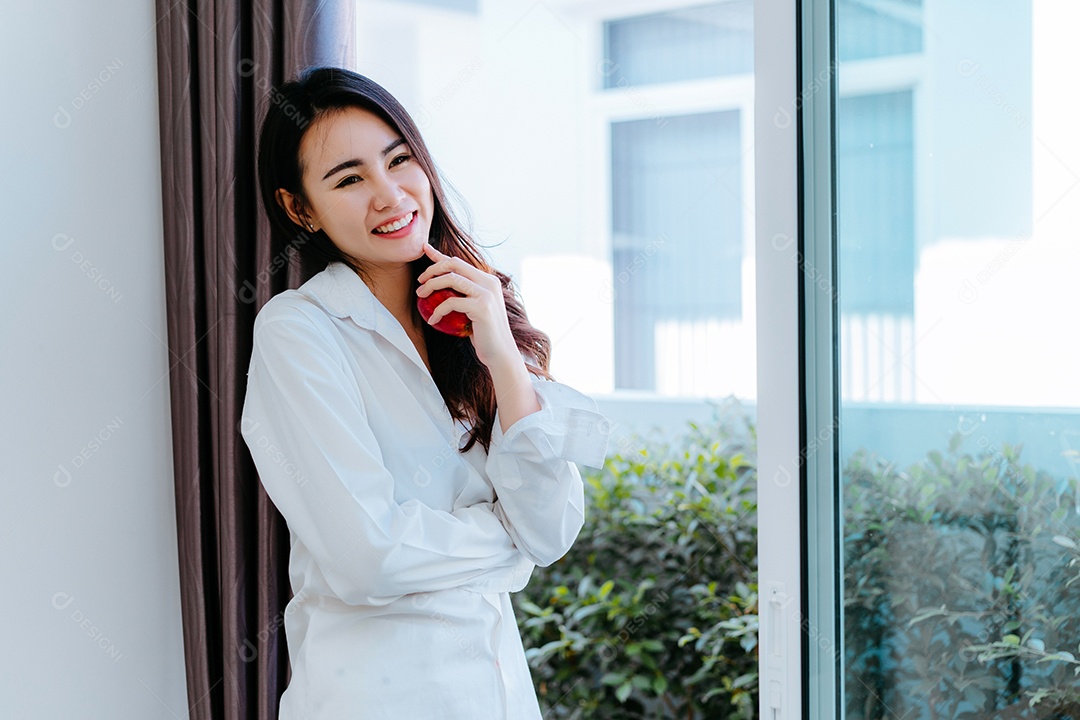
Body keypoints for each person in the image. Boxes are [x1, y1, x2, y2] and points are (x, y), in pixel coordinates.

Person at [240, 66, 611, 719]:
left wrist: (499, 351)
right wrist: (506, 538)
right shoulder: (298, 332)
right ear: (301, 209)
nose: (389, 194)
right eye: (349, 179)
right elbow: (368, 558)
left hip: (497, 696)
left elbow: (550, 530)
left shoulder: (474, 319)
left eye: (399, 160)